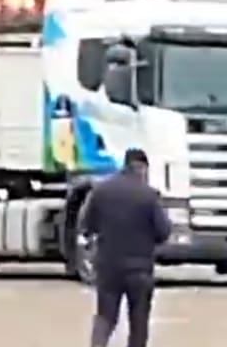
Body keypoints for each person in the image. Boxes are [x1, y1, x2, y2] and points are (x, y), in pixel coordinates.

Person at [78, 147, 172, 347]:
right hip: (140, 270)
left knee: (105, 316)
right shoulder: (149, 195)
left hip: (108, 266)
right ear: (143, 168)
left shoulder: (101, 191)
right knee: (139, 323)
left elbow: (86, 225)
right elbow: (163, 232)